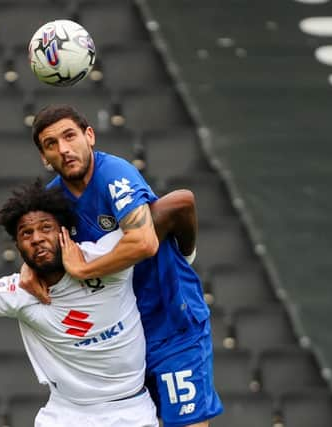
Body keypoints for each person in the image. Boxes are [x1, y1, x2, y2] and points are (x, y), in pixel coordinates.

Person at [0, 180, 199, 427]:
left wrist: (185, 261)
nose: (37, 238)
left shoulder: (105, 257)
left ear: (64, 232)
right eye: (26, 234)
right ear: (18, 247)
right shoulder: (18, 291)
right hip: (67, 414)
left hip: (128, 410)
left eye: (46, 228)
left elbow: (181, 203)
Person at [25, 104, 223, 427]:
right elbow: (33, 244)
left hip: (170, 322)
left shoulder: (113, 175)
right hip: (121, 342)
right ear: (44, 157)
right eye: (51, 144)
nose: (64, 149)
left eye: (70, 136)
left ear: (89, 136)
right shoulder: (52, 201)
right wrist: (28, 269)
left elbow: (145, 241)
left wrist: (86, 269)